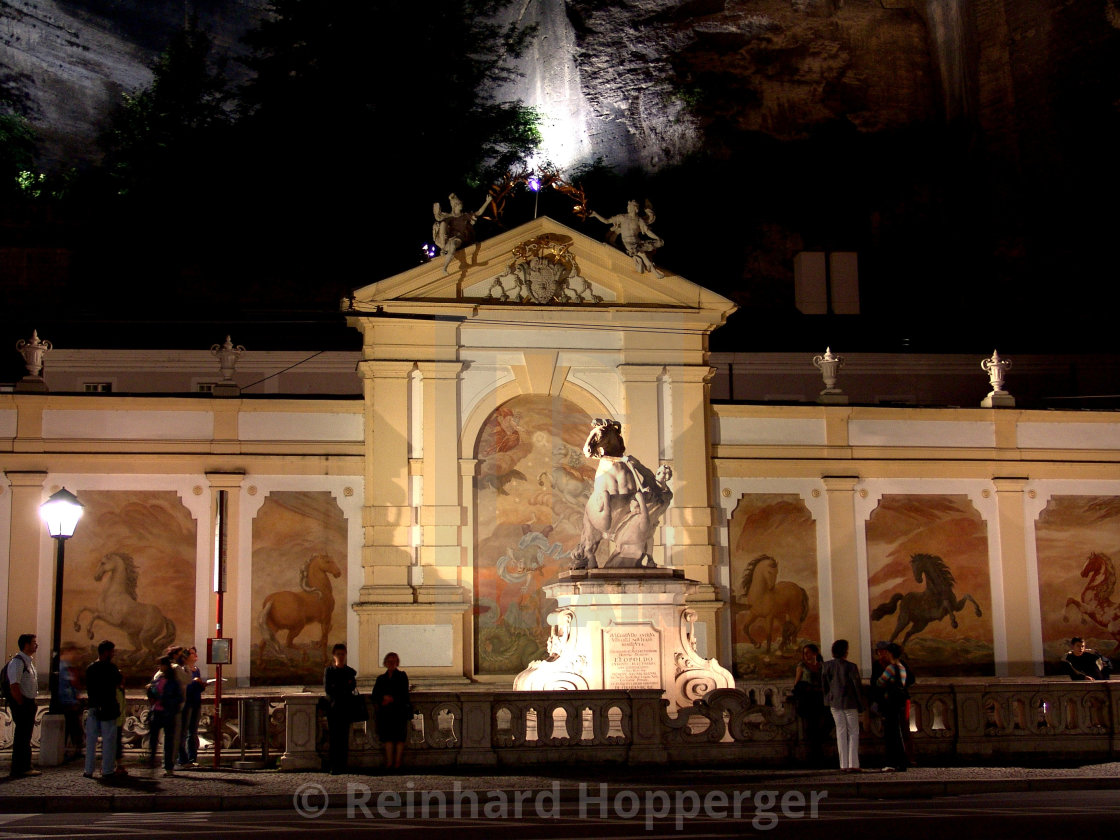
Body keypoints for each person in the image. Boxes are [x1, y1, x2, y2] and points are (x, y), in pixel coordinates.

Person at [590, 200, 665, 277]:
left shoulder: (639, 220)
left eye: (630, 206)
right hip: (628, 243)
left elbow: (647, 231)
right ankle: (654, 272)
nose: (628, 207)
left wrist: (657, 238)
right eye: (628, 206)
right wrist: (595, 214)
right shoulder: (622, 217)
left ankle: (651, 269)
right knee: (642, 254)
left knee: (646, 251)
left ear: (635, 208)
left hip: (637, 242)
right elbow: (606, 221)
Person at [821, 638, 863, 773]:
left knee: (840, 731)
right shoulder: (851, 666)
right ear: (845, 651)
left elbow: (824, 685)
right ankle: (853, 764)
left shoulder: (826, 666)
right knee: (853, 732)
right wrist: (861, 703)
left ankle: (843, 764)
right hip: (850, 701)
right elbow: (857, 686)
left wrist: (828, 699)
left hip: (834, 702)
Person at [83, 639, 123, 780]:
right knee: (109, 741)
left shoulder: (90, 668)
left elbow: (88, 687)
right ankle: (107, 770)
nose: (113, 653)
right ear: (106, 652)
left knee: (91, 741)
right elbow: (118, 683)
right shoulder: (111, 668)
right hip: (108, 707)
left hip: (93, 706)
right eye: (112, 651)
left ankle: (88, 770)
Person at [6, 634, 41, 777]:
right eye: (33, 643)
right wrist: (21, 704)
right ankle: (20, 768)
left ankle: (24, 766)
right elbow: (14, 685)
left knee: (25, 736)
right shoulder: (18, 662)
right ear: (26, 645)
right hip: (23, 704)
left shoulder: (28, 662)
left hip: (28, 702)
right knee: (22, 736)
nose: (36, 645)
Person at [433, 192, 492, 273]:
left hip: (459, 238)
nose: (462, 204)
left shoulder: (465, 216)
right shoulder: (450, 217)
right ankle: (443, 249)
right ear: (456, 205)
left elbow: (478, 212)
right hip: (450, 239)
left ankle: (445, 267)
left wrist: (487, 201)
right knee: (445, 229)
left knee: (453, 246)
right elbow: (440, 220)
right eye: (460, 203)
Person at [372, 651, 411, 770]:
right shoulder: (381, 678)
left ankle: (397, 762)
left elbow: (404, 693)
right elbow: (375, 694)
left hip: (398, 711)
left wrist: (391, 698)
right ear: (385, 663)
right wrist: (383, 698)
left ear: (397, 663)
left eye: (393, 661)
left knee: (399, 738)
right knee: (387, 737)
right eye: (389, 661)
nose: (391, 663)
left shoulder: (402, 676)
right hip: (386, 712)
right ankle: (389, 763)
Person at [875, 642, 910, 772]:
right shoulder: (902, 667)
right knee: (898, 732)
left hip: (890, 702)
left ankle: (892, 762)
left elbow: (880, 682)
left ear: (890, 653)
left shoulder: (891, 668)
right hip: (900, 702)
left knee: (891, 733)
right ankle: (901, 761)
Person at [791, 643, 828, 766]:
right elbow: (797, 683)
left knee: (821, 728)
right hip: (808, 700)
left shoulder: (822, 666)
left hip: (820, 699)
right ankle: (811, 757)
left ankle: (820, 754)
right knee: (809, 728)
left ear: (815, 653)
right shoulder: (802, 666)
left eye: (808, 652)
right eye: (804, 653)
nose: (806, 655)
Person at [324, 643, 358, 775]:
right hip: (334, 708)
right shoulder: (329, 671)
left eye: (343, 654)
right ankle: (334, 765)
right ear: (334, 656)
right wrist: (343, 686)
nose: (341, 656)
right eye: (338, 654)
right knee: (334, 738)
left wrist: (339, 686)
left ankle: (342, 764)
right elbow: (328, 689)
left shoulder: (350, 671)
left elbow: (351, 686)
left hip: (346, 708)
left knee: (344, 738)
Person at [148, 655, 183, 776]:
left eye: (161, 665)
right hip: (157, 712)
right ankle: (152, 762)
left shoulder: (173, 682)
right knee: (153, 740)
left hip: (167, 713)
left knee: (168, 741)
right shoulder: (158, 679)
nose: (159, 667)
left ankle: (168, 767)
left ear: (165, 666)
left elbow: (179, 698)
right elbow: (153, 692)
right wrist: (150, 691)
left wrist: (166, 701)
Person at [179, 646, 206, 767]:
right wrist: (194, 682)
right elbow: (183, 687)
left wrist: (200, 684)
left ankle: (192, 758)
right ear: (186, 657)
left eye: (195, 653)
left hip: (196, 702)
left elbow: (197, 688)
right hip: (186, 702)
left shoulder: (196, 669)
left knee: (193, 732)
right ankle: (182, 759)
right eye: (192, 653)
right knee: (184, 732)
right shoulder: (183, 670)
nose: (195, 655)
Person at [58, 641, 84, 758]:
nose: (76, 655)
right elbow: (64, 688)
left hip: (71, 704)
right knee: (70, 728)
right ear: (66, 652)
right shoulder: (62, 669)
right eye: (74, 652)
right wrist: (72, 702)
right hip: (67, 705)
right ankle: (66, 752)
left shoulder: (68, 668)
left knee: (74, 729)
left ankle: (72, 750)